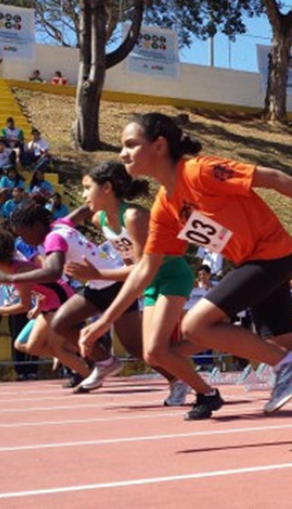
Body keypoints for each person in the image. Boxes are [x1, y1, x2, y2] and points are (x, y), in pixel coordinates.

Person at [78, 113, 292, 439]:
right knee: (287, 353)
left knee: (196, 325)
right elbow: (145, 269)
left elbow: (274, 177)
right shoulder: (164, 207)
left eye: (130, 145)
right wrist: (103, 323)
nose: (123, 154)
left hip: (274, 254)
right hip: (253, 264)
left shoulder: (199, 171)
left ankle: (288, 367)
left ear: (159, 145)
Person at [64, 161, 204, 409]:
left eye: (87, 188)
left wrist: (99, 274)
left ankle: (204, 352)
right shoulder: (100, 220)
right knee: (146, 348)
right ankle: (183, 368)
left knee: (157, 347)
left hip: (171, 275)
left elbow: (143, 267)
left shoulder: (134, 217)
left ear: (107, 188)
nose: (83, 194)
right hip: (147, 281)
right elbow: (134, 267)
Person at [0, 203, 134, 392]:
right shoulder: (61, 224)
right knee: (61, 323)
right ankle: (105, 360)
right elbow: (85, 209)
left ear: (36, 226)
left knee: (136, 346)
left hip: (115, 286)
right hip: (97, 286)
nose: (22, 239)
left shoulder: (53, 238)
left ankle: (177, 378)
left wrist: (11, 278)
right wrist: (106, 202)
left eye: (22, 234)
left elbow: (53, 272)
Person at [0, 225, 75, 372]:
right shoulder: (11, 270)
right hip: (49, 302)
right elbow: (40, 288)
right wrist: (38, 305)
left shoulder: (17, 270)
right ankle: (75, 354)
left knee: (56, 347)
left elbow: (24, 304)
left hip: (59, 299)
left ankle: (85, 364)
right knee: (24, 345)